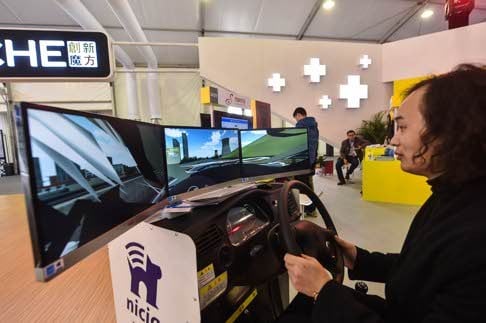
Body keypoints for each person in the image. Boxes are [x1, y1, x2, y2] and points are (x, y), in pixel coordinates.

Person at [280, 64, 486, 322]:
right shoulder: (452, 195)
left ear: (451, 131)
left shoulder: (475, 233)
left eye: (402, 128)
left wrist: (323, 289)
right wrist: (358, 258)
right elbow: (424, 270)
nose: (393, 141)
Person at [293, 107, 319, 216]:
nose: (296, 121)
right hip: (311, 159)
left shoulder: (300, 125)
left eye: (296, 118)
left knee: (301, 185)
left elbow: (296, 144)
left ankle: (310, 209)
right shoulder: (314, 125)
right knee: (308, 183)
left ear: (299, 115)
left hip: (303, 160)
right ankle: (312, 209)